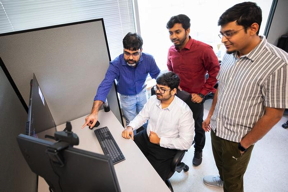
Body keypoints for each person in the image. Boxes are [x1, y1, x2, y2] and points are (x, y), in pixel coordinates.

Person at [202, 2, 288, 192]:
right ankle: (221, 178)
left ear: (253, 28)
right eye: (222, 34)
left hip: (238, 138)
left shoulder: (278, 63)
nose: (224, 40)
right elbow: (220, 88)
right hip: (217, 126)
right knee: (223, 166)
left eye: (229, 33)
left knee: (234, 180)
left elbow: (273, 114)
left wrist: (244, 144)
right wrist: (210, 116)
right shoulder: (229, 54)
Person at [166, 14, 220, 166]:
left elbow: (216, 71)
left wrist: (203, 93)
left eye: (177, 32)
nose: (173, 36)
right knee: (177, 123)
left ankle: (198, 150)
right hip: (177, 95)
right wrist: (174, 84)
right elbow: (170, 69)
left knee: (198, 127)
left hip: (195, 97)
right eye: (171, 33)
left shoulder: (203, 49)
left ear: (187, 30)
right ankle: (177, 148)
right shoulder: (171, 50)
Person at [122, 72, 194, 180]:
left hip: (165, 147)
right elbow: (142, 116)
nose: (157, 92)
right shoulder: (153, 99)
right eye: (157, 87)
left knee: (150, 179)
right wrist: (130, 127)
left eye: (162, 89)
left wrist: (160, 140)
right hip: (146, 138)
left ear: (173, 91)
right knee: (125, 155)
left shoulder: (184, 112)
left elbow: (186, 143)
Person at [82, 32, 160, 128]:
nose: (130, 57)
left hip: (142, 93)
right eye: (127, 53)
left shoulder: (149, 59)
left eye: (135, 54)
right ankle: (133, 141)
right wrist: (94, 112)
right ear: (123, 50)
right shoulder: (116, 64)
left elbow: (158, 76)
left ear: (141, 50)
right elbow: (105, 86)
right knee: (131, 123)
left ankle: (146, 138)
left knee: (146, 118)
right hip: (127, 98)